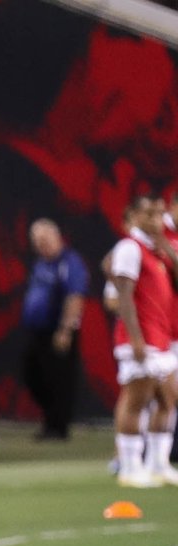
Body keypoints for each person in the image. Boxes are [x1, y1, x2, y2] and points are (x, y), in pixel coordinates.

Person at [108, 195, 177, 487]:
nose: (156, 220)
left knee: (167, 399)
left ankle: (158, 463)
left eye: (159, 214)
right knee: (135, 400)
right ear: (133, 216)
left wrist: (164, 244)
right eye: (149, 214)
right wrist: (136, 339)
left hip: (161, 338)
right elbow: (123, 294)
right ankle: (129, 466)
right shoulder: (128, 248)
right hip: (141, 339)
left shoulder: (158, 250)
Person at [21, 219, 87, 441]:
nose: (41, 245)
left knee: (59, 380)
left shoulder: (69, 262)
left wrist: (65, 330)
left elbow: (75, 296)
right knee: (33, 375)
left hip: (57, 330)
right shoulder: (41, 263)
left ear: (57, 238)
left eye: (44, 240)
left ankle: (58, 427)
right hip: (37, 331)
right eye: (36, 241)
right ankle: (50, 421)